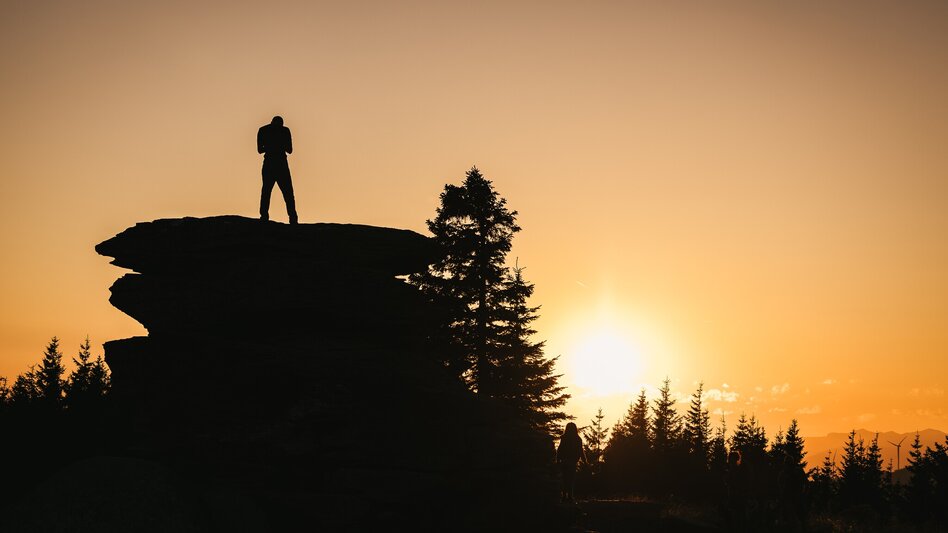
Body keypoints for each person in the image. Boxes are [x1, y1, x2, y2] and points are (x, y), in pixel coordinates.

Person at [257, 115, 298, 224]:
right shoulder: (284, 131)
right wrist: (278, 146)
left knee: (267, 191)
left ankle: (264, 216)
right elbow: (289, 149)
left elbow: (260, 150)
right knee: (287, 192)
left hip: (272, 163)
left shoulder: (264, 130)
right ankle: (292, 218)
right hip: (280, 164)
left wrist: (270, 146)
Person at [556, 422, 587, 503]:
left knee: (565, 479)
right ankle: (570, 496)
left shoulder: (564, 438)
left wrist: (558, 460)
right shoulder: (578, 439)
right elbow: (581, 451)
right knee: (570, 479)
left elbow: (560, 449)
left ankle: (564, 496)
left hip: (564, 462)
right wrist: (585, 462)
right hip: (572, 462)